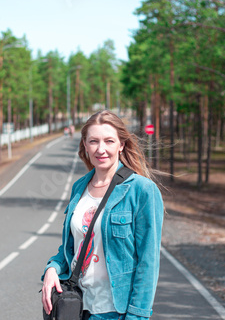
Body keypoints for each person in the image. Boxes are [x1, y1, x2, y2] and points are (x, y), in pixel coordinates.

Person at [41, 110, 164, 320]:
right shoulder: (79, 188)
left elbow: (148, 262)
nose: (101, 149)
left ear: (121, 144)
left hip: (115, 312)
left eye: (109, 141)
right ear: (85, 145)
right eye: (94, 141)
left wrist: (137, 316)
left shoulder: (142, 191)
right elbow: (71, 248)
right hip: (76, 308)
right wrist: (52, 268)